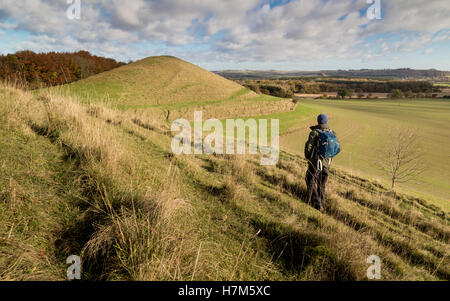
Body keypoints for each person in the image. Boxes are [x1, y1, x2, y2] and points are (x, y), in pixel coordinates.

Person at [304, 114, 340, 211]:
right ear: (326, 121)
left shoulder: (315, 133)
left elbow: (308, 147)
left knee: (309, 180)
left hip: (316, 162)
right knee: (321, 184)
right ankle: (322, 204)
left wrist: (308, 158)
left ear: (318, 121)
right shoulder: (332, 132)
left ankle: (317, 204)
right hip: (327, 163)